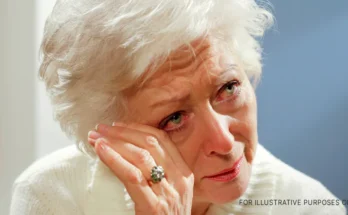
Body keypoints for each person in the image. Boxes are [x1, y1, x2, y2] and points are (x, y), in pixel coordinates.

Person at [10, 0, 346, 214]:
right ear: (114, 136)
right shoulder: (52, 196)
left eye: (228, 88)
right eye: (174, 118)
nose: (224, 142)